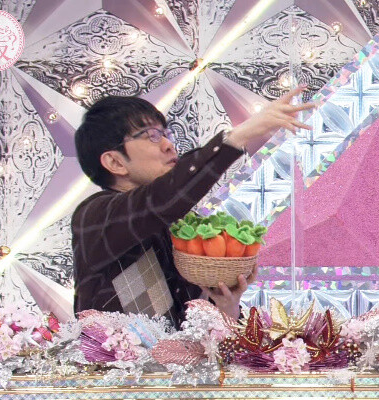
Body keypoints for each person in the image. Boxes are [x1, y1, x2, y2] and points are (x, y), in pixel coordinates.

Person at [72, 86, 314, 325]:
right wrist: (235, 138)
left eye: (166, 134)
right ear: (115, 162)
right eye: (152, 136)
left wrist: (226, 305)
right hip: (114, 353)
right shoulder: (94, 216)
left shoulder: (179, 225)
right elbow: (163, 200)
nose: (168, 145)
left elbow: (201, 332)